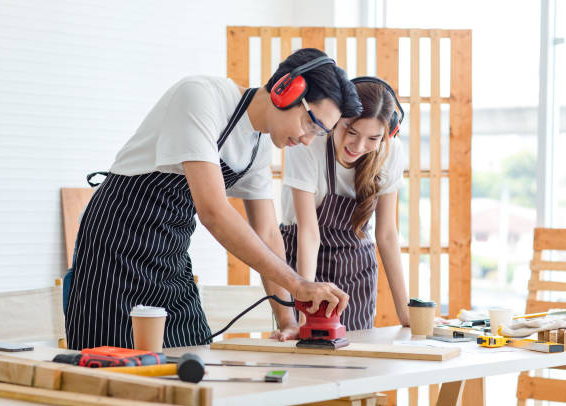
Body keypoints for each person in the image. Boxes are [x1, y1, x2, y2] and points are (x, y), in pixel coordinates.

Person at [65, 48, 363, 350]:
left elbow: (268, 233)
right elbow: (213, 211)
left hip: (169, 251)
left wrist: (287, 320)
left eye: (320, 132)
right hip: (116, 242)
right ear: (286, 90)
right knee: (109, 363)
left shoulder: (258, 146)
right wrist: (298, 284)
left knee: (192, 354)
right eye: (310, 123)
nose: (307, 140)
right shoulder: (200, 98)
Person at [275, 77, 410, 334]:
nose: (358, 147)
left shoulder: (390, 152)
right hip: (302, 261)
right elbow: (309, 232)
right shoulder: (308, 143)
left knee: (355, 358)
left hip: (356, 271)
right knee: (305, 356)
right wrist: (304, 315)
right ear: (337, 119)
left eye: (373, 138)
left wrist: (406, 313)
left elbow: (387, 234)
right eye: (351, 131)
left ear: (387, 135)